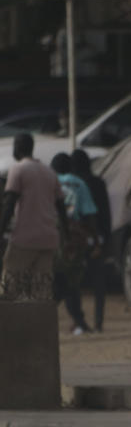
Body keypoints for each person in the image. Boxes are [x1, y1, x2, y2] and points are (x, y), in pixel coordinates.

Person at [0, 133, 69, 302]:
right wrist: (66, 236)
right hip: (48, 240)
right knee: (41, 291)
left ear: (17, 148)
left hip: (24, 239)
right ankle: (39, 327)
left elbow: (9, 204)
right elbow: (61, 206)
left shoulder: (18, 169)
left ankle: (8, 327)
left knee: (9, 288)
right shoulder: (49, 172)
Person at [51, 152, 100, 335]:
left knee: (54, 278)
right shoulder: (80, 184)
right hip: (74, 239)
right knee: (72, 280)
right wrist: (96, 240)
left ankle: (72, 319)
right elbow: (90, 213)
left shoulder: (50, 182)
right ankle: (79, 321)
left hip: (52, 236)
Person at [71, 149, 111, 332]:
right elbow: (105, 214)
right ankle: (99, 321)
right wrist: (105, 239)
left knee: (74, 282)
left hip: (77, 238)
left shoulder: (73, 185)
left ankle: (78, 320)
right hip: (98, 237)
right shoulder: (98, 183)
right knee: (99, 283)